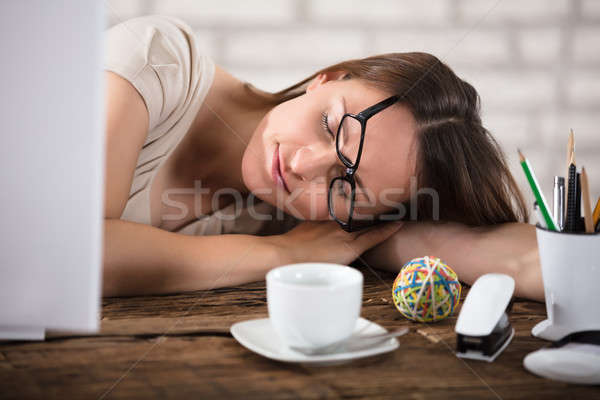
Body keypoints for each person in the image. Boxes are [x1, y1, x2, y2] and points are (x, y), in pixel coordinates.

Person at [103, 15, 543, 301]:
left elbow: (505, 255)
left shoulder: (317, 223)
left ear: (363, 216)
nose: (304, 166)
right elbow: (76, 254)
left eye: (345, 183)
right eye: (331, 125)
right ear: (326, 79)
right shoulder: (157, 63)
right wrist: (282, 255)